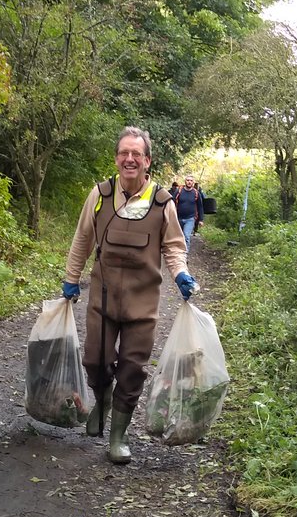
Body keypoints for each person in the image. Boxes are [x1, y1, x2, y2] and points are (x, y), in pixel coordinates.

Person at [62, 127, 198, 464]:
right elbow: (82, 239)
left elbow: (174, 246)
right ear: (117, 158)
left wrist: (180, 273)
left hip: (142, 304)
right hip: (103, 300)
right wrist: (71, 278)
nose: (130, 159)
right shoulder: (100, 195)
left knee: (132, 369)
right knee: (95, 361)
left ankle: (117, 436)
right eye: (124, 153)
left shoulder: (163, 201)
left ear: (147, 161)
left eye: (137, 154)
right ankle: (103, 399)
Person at [171, 174, 204, 250]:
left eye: (191, 181)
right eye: (188, 180)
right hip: (178, 218)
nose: (189, 182)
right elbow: (172, 202)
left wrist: (201, 220)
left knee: (186, 236)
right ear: (185, 181)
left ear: (193, 182)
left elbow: (200, 207)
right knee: (178, 237)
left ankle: (184, 256)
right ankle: (178, 254)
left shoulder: (196, 193)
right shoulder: (179, 191)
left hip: (190, 219)